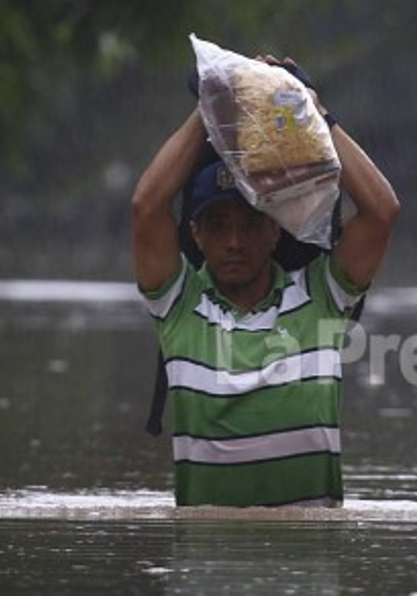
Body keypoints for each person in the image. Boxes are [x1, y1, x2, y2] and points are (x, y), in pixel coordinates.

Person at [131, 60, 400, 507]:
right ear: (195, 233)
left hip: (308, 570)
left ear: (276, 228)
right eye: (217, 225)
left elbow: (382, 212)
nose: (234, 241)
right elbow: (146, 207)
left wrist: (314, 114)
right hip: (206, 571)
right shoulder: (179, 306)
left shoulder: (321, 298)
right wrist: (215, 103)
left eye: (251, 224)